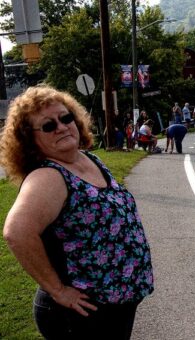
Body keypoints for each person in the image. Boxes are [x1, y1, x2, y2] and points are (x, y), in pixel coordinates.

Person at [0, 86, 154, 339]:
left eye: (66, 118)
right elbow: (16, 233)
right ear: (30, 139)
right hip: (81, 314)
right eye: (48, 126)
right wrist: (58, 290)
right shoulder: (48, 177)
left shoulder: (89, 160)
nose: (61, 127)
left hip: (115, 305)